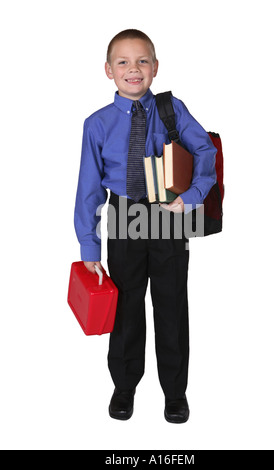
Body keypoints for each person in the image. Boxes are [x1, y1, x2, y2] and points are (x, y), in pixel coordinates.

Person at [74, 29, 217, 423]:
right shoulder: (97, 124)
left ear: (155, 68)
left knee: (171, 306)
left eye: (142, 61)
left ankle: (175, 393)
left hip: (167, 215)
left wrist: (192, 196)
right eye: (123, 62)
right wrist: (89, 248)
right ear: (108, 70)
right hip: (123, 218)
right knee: (126, 308)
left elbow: (205, 150)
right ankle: (124, 386)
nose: (132, 69)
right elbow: (88, 189)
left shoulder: (172, 109)